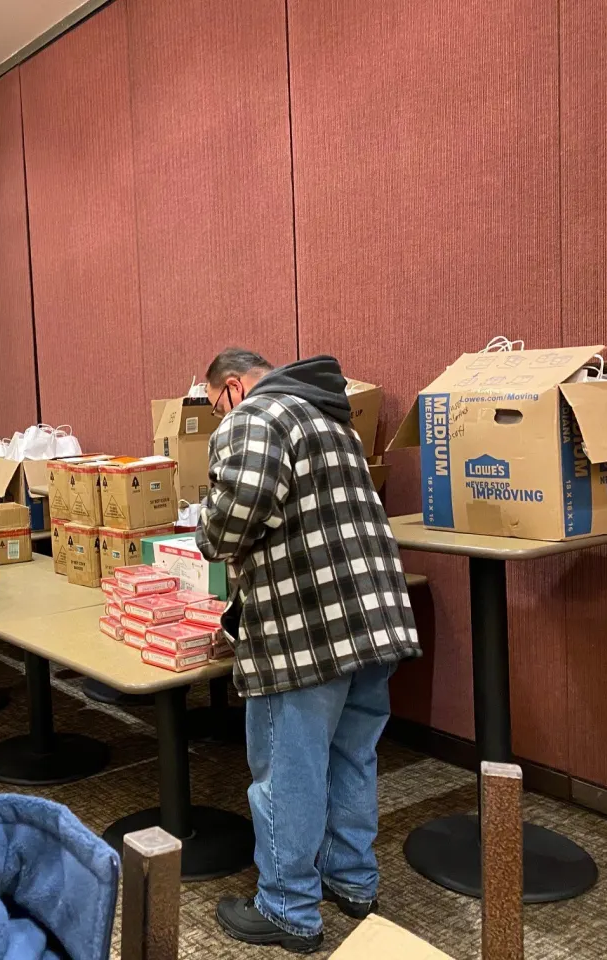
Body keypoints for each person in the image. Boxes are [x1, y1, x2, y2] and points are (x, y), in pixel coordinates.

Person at [197, 348, 421, 953]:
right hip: (373, 620)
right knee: (352, 757)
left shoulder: (254, 418)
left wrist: (205, 528)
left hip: (307, 630)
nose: (219, 414)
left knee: (288, 770)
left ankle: (288, 908)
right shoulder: (332, 419)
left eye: (214, 403)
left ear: (233, 388)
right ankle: (352, 881)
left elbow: (235, 516)